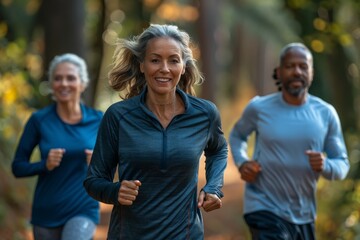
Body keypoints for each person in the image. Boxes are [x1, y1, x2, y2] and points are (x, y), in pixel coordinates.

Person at [83, 23, 228, 239]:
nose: (164, 68)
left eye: (173, 60)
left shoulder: (204, 114)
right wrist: (115, 191)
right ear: (142, 65)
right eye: (155, 60)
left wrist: (214, 187)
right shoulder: (118, 116)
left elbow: (218, 149)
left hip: (185, 234)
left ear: (183, 66)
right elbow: (93, 180)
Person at [229, 42, 350, 240]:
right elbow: (237, 136)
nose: (296, 71)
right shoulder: (259, 108)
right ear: (279, 71)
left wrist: (325, 165)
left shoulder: (325, 113)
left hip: (304, 214)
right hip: (263, 206)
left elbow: (342, 164)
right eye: (290, 66)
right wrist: (242, 162)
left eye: (303, 66)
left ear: (311, 72)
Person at [12, 53, 103, 240]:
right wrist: (44, 165)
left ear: (82, 83)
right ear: (52, 84)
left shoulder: (98, 119)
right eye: (58, 78)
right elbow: (17, 167)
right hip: (46, 213)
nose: (64, 83)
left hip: (83, 209)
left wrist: (98, 163)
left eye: (70, 78)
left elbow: (118, 163)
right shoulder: (39, 120)